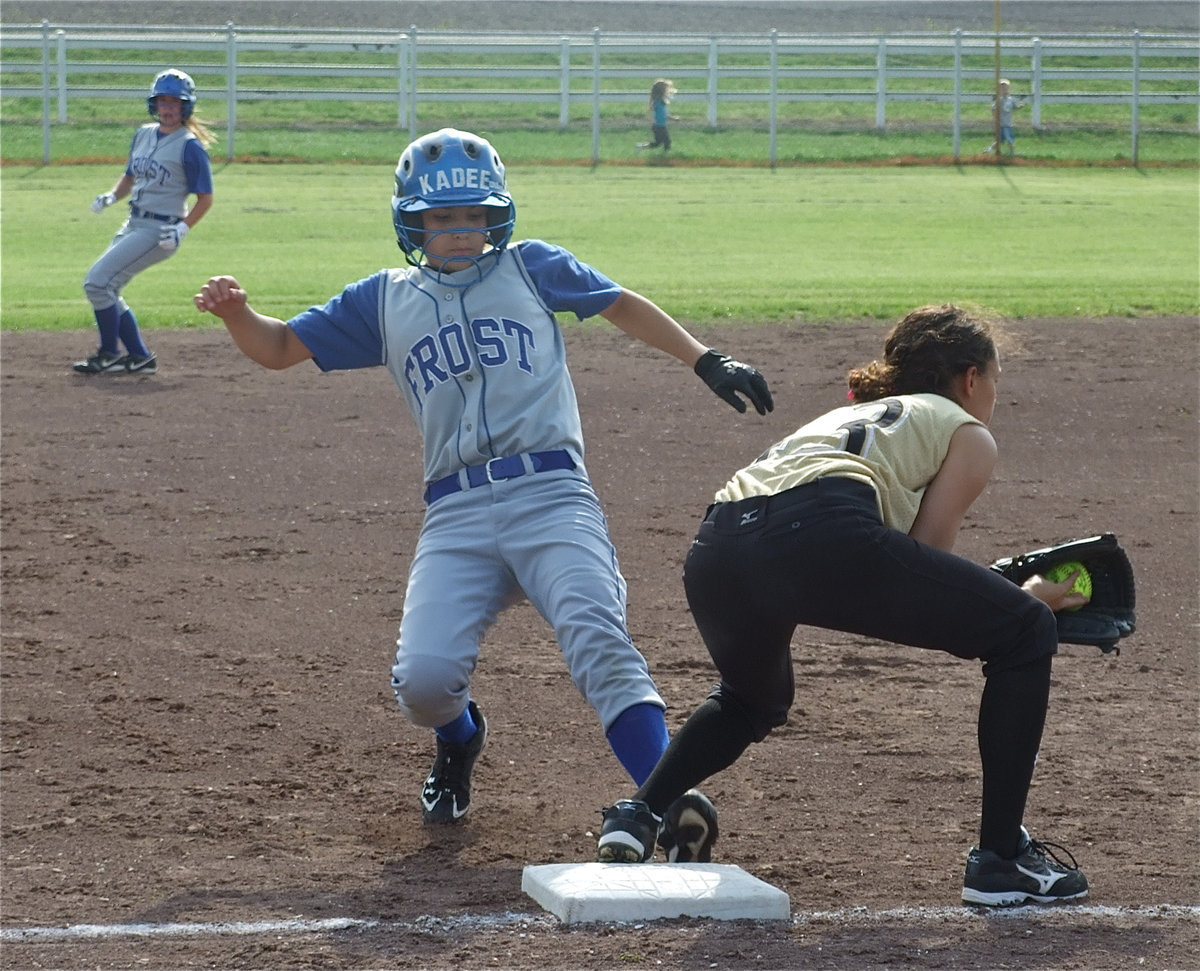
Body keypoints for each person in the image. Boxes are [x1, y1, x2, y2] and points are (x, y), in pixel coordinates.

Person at [192, 128, 774, 833]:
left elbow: (620, 302)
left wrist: (705, 358)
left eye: (474, 215)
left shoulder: (531, 267)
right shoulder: (383, 300)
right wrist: (236, 315)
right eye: (442, 219)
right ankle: (460, 738)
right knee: (424, 684)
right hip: (456, 511)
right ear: (413, 221)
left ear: (497, 215)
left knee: (600, 642)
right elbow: (280, 346)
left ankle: (664, 803)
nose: (461, 231)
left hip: (552, 495)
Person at [597, 304, 1092, 908]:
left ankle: (638, 812)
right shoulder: (966, 430)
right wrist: (1025, 600)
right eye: (994, 380)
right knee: (1025, 632)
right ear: (969, 380)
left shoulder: (848, 416)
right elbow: (924, 558)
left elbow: (903, 571)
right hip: (821, 530)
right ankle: (1001, 860)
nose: (993, 394)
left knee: (752, 698)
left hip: (718, 546)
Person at [76, 69, 215, 376]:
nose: (167, 108)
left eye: (174, 103)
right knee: (107, 288)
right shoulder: (143, 134)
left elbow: (205, 197)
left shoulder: (189, 146)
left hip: (160, 230)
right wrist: (112, 196)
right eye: (162, 101)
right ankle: (139, 357)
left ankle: (110, 353)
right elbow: (130, 176)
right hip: (134, 223)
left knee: (97, 282)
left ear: (186, 107)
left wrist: (183, 228)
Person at [636, 78, 679, 153]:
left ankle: (641, 146)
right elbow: (650, 111)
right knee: (667, 141)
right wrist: (653, 119)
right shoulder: (656, 102)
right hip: (658, 126)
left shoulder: (662, 102)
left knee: (658, 143)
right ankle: (666, 155)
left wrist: (673, 118)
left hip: (661, 125)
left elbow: (664, 114)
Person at [988, 78, 1025, 156]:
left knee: (1000, 140)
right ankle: (1012, 153)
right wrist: (996, 119)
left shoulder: (1010, 99)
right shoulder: (999, 100)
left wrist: (1019, 106)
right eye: (1002, 89)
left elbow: (1014, 107)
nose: (1005, 90)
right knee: (1008, 139)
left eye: (1006, 88)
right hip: (1002, 124)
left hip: (1008, 124)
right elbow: (993, 109)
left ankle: (989, 150)